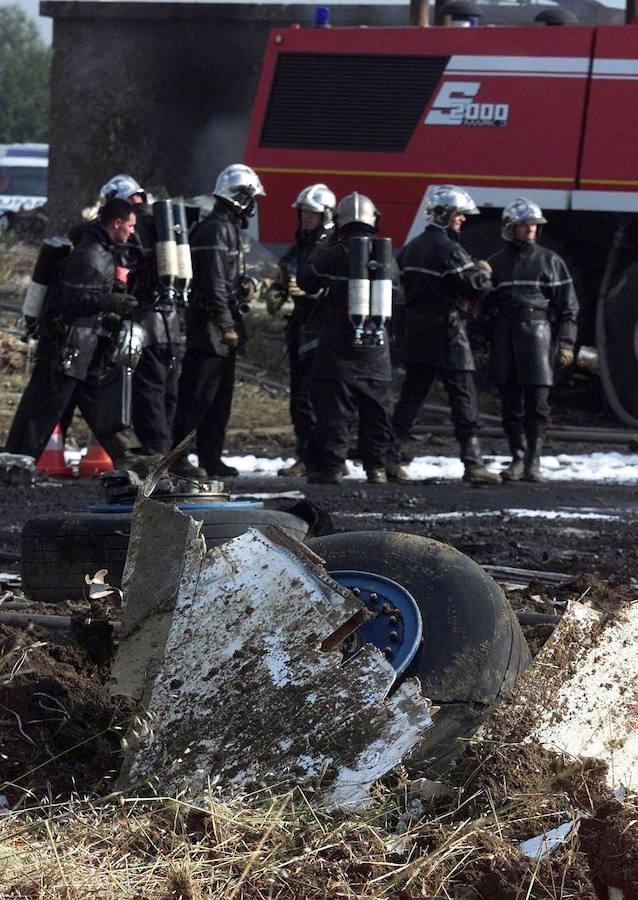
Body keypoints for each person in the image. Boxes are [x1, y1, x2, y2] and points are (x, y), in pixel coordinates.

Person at [4, 199, 145, 468]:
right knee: (41, 410)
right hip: (67, 348)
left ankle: (131, 460)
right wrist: (110, 302)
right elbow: (75, 300)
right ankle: (14, 464)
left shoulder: (100, 252)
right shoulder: (90, 255)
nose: (132, 232)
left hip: (84, 349)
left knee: (102, 410)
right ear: (116, 223)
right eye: (130, 225)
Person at [387, 185, 499, 484]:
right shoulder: (450, 249)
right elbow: (474, 286)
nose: (462, 220)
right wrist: (483, 271)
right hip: (449, 333)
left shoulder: (412, 247)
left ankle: (391, 457)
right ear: (446, 215)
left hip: (417, 332)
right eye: (459, 215)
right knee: (463, 397)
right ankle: (473, 463)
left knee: (411, 397)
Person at [171, 164, 265, 478]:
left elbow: (226, 279)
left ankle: (211, 457)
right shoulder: (215, 228)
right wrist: (225, 324)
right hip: (210, 328)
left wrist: (247, 285)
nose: (254, 205)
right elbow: (212, 282)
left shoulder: (228, 228)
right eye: (252, 198)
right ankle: (179, 458)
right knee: (198, 396)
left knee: (219, 398)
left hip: (223, 327)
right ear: (241, 197)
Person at [298, 192, 396, 484]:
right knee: (377, 412)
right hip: (377, 350)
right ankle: (376, 469)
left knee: (334, 412)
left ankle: (331, 468)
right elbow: (401, 298)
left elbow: (306, 278)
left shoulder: (333, 253)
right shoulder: (386, 256)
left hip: (337, 346)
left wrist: (324, 242)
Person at [485, 198, 579, 482]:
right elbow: (481, 308)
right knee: (510, 403)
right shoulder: (495, 263)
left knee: (537, 404)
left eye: (534, 225)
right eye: (525, 225)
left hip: (538, 335)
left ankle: (534, 462)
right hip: (504, 335)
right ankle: (518, 457)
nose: (531, 229)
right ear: (511, 227)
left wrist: (566, 342)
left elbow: (569, 307)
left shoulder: (550, 260)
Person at [100, 175, 181, 457]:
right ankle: (169, 451)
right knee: (168, 390)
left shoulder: (133, 229)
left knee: (148, 392)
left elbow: (122, 271)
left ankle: (156, 453)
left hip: (144, 320)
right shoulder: (164, 225)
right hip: (171, 322)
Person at [266, 183, 337, 477]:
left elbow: (336, 289)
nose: (306, 219)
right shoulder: (300, 248)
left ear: (325, 216)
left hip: (323, 332)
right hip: (300, 329)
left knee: (316, 397)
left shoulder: (333, 249)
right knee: (299, 397)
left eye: (312, 215)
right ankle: (304, 454)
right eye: (303, 214)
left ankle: (321, 456)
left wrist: (310, 293)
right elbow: (285, 273)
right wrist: (277, 290)